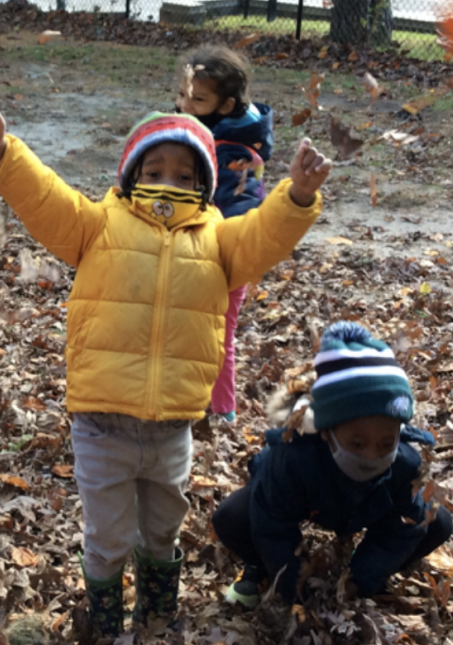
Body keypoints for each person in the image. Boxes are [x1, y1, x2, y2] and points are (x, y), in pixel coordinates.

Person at [0, 105, 331, 636]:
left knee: (163, 528)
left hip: (172, 425)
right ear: (132, 175)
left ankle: (157, 613)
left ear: (204, 186)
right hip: (101, 422)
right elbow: (45, 201)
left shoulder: (218, 239)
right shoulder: (98, 225)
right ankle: (107, 620)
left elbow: (265, 236)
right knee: (108, 535)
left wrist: (296, 195)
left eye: (185, 175)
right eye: (154, 170)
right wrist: (3, 152)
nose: (167, 183)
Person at [211, 322, 453, 608]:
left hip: (362, 505)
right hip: (306, 492)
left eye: (386, 443)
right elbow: (273, 526)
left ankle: (369, 568)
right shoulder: (292, 458)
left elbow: (406, 525)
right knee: (232, 516)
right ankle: (259, 568)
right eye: (358, 444)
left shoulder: (405, 464)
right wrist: (295, 588)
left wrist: (360, 579)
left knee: (437, 522)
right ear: (326, 431)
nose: (371, 456)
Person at [174, 45, 275, 426]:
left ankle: (222, 411)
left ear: (226, 103)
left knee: (219, 334)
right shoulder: (197, 128)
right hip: (191, 250)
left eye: (198, 99)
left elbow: (242, 208)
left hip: (225, 255)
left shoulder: (235, 151)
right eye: (182, 95)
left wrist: (227, 255)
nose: (185, 105)